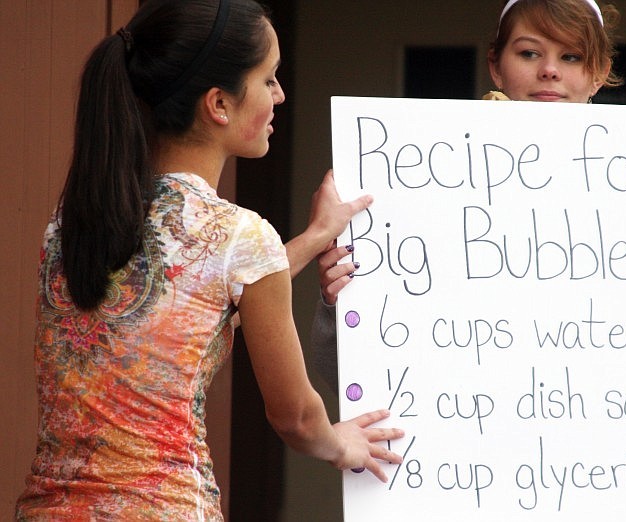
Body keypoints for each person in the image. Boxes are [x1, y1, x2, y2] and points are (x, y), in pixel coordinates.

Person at [15, 0, 404, 519]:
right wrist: (342, 444)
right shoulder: (239, 235)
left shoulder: (72, 224)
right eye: (268, 80)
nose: (280, 94)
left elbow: (189, 308)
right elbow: (296, 418)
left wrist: (314, 237)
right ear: (219, 104)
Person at [310, 0, 626, 401]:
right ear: (496, 65)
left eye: (571, 57)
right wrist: (339, 302)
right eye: (529, 53)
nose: (549, 71)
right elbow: (347, 380)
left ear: (599, 72)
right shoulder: (421, 177)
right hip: (457, 456)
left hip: (598, 462)